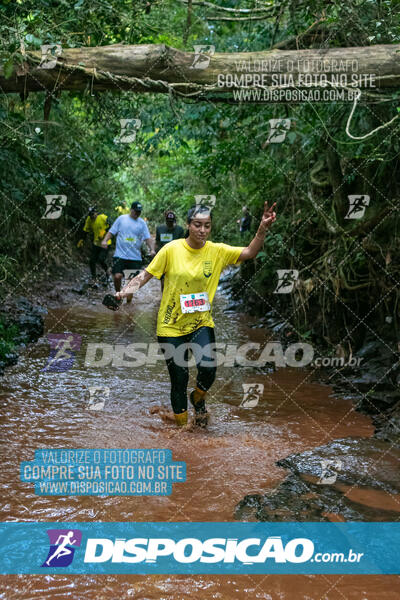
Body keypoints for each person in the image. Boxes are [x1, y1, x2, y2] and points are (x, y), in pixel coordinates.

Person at [114, 201, 277, 428]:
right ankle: (182, 430)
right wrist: (123, 293)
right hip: (170, 326)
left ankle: (197, 397)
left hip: (201, 323)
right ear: (188, 225)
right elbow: (145, 276)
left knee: (208, 369)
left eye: (207, 226)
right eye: (197, 225)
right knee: (179, 378)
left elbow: (249, 252)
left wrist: (262, 229)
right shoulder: (171, 250)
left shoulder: (217, 251)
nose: (202, 230)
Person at [101, 201, 155, 302]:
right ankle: (118, 296)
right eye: (136, 211)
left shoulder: (142, 223)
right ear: (131, 210)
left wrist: (152, 249)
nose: (137, 213)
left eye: (139, 212)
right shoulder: (122, 219)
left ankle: (129, 303)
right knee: (117, 276)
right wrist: (105, 240)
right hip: (120, 255)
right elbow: (111, 231)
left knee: (131, 283)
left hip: (135, 257)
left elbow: (148, 238)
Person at [77, 206, 111, 282]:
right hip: (96, 243)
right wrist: (82, 239)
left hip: (106, 243)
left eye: (93, 214)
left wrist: (104, 232)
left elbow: (112, 225)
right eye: (90, 215)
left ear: (96, 213)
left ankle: (107, 273)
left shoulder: (103, 217)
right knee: (92, 260)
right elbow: (85, 230)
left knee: (101, 259)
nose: (92, 216)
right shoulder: (89, 220)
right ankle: (94, 277)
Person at [156, 210, 185, 291]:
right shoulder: (159, 229)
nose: (170, 223)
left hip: (176, 258)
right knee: (163, 281)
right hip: (163, 257)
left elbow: (183, 244)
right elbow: (157, 243)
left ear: (174, 220)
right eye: (168, 221)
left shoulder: (179, 230)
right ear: (165, 220)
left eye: (171, 221)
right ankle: (164, 299)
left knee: (176, 279)